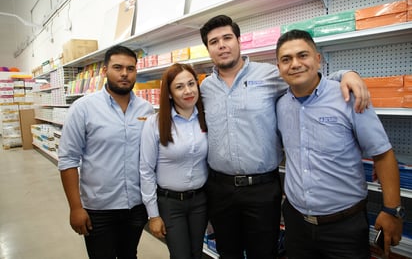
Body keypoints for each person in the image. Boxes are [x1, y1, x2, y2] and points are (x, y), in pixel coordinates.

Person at [199, 14, 370, 259]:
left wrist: (346, 74)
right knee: (227, 252)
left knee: (264, 253)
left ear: (239, 41)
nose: (222, 45)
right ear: (208, 49)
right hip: (220, 188)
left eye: (227, 38)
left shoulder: (270, 74)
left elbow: (307, 78)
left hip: (262, 188)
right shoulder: (205, 87)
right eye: (214, 42)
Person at [275, 29, 404, 259]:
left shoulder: (348, 97)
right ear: (279, 67)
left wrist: (392, 210)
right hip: (296, 223)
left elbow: (382, 154)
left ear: (317, 59)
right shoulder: (280, 105)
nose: (295, 64)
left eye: (302, 55)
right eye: (286, 59)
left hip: (344, 227)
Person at [58, 45, 154, 259]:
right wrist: (75, 208)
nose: (124, 74)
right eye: (117, 67)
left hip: (136, 207)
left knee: (129, 254)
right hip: (99, 208)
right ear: (104, 71)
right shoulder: (83, 108)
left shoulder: (146, 109)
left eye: (130, 69)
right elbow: (67, 160)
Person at [139, 63, 208, 259]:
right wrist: (153, 215)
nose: (188, 91)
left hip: (200, 202)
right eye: (179, 87)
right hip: (170, 204)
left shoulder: (205, 118)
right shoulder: (155, 123)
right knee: (180, 255)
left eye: (191, 84)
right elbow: (146, 170)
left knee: (196, 253)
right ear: (169, 93)